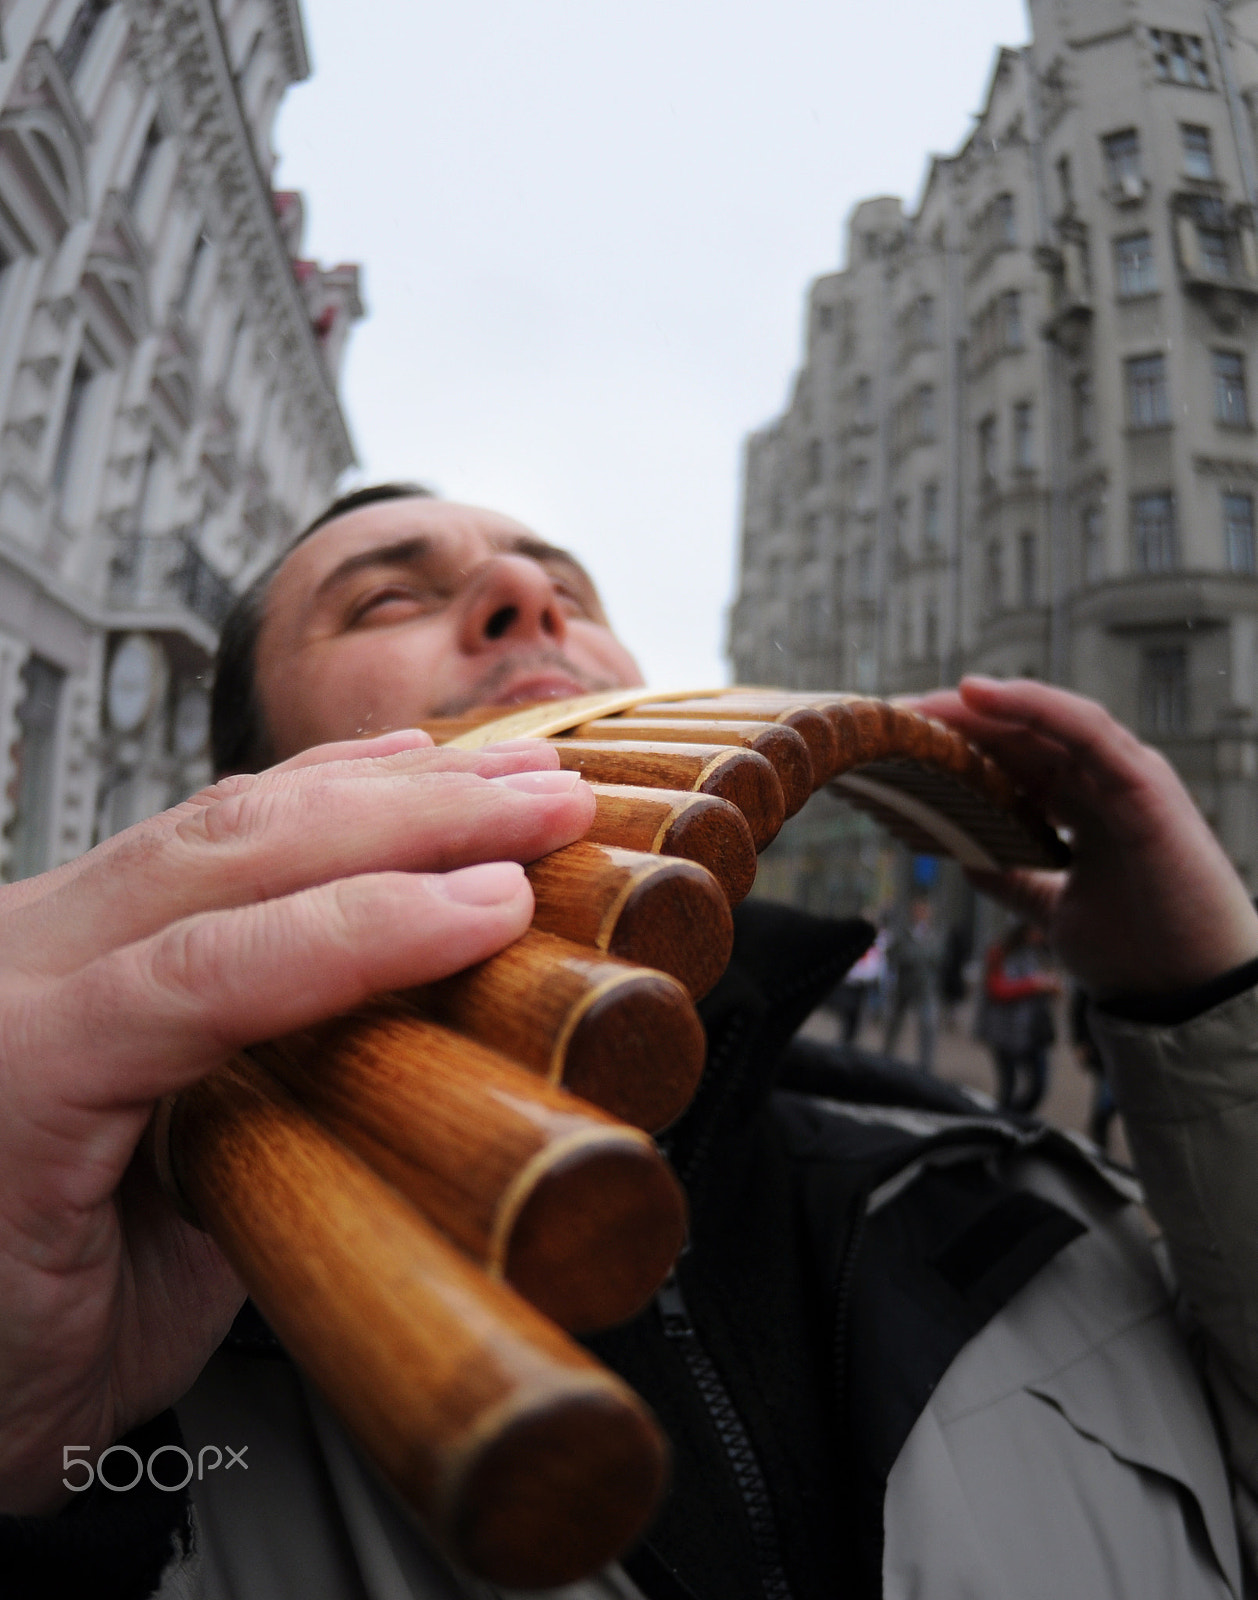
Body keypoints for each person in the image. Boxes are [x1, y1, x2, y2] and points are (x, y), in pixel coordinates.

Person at [5, 484, 1258, 1600]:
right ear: (255, 789)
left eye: (570, 590)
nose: (525, 598)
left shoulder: (1011, 1192)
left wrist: (1200, 1001)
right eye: (387, 596)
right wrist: (28, 1476)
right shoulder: (129, 1336)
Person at [975, 920, 1061, 1113]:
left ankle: (1016, 1119)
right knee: (1009, 1086)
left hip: (1034, 1030)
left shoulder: (1042, 952)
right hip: (1005, 1031)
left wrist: (1050, 987)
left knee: (1038, 1085)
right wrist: (1033, 985)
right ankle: (1004, 1123)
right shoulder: (1000, 951)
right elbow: (996, 990)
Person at [881, 894, 942, 1071]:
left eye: (924, 911)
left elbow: (938, 957)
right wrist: (916, 956)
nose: (920, 914)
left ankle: (926, 1067)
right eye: (917, 910)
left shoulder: (934, 934)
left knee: (928, 1025)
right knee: (894, 1023)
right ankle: (886, 1060)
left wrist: (915, 956)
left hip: (925, 988)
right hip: (904, 986)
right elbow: (895, 955)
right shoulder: (903, 932)